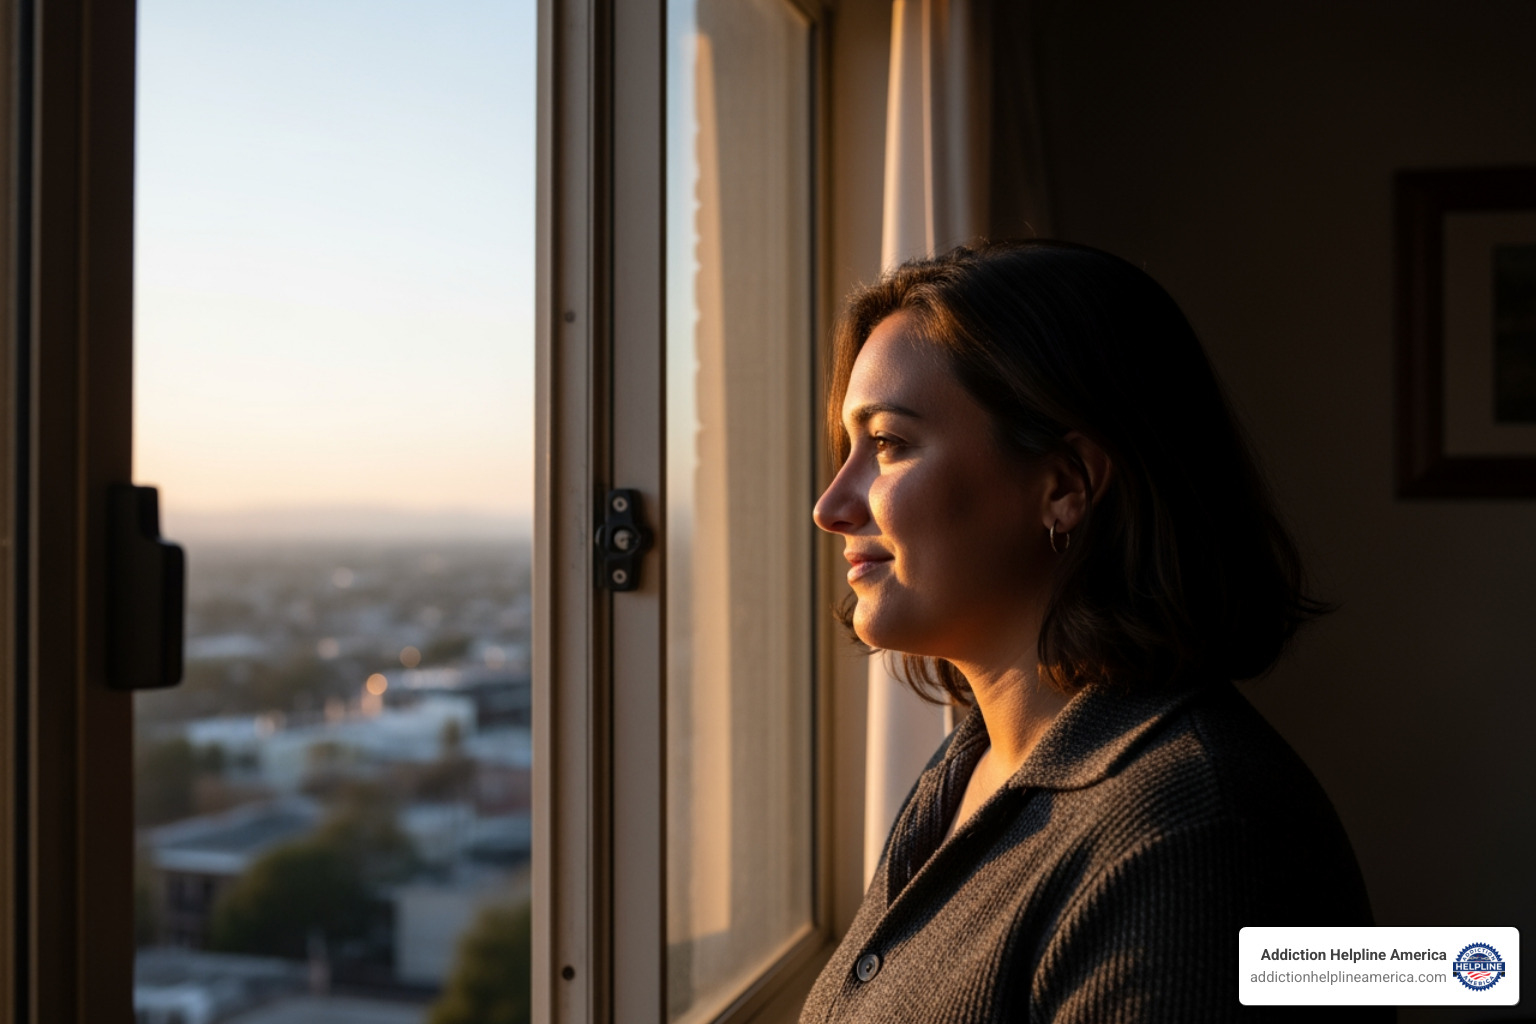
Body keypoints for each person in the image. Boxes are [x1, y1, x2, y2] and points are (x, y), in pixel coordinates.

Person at [800, 242, 1387, 1023]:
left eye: (888, 445)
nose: (832, 507)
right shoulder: (972, 769)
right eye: (848, 450)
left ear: (1064, 486)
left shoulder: (1189, 843)